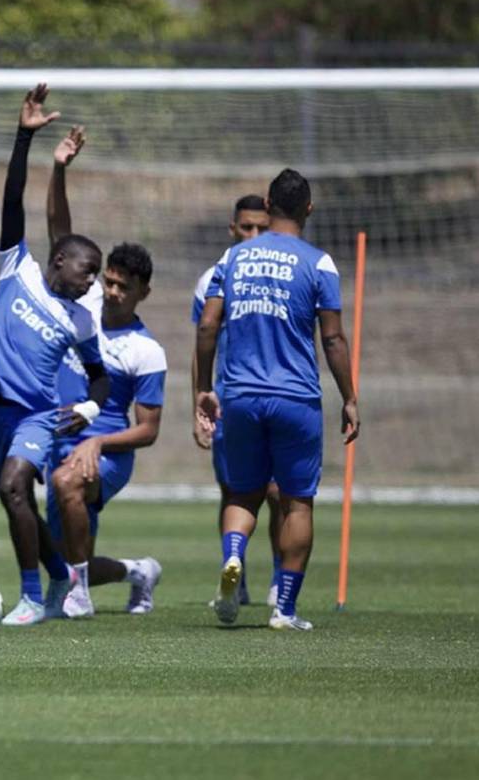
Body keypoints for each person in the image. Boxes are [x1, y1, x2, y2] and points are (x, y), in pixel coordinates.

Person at [195, 168, 359, 631]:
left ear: (267, 205)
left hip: (240, 396)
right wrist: (349, 397)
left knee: (242, 493)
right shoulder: (319, 264)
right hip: (295, 398)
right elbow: (333, 339)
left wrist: (204, 389)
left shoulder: (232, 257)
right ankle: (284, 609)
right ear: (309, 209)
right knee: (297, 502)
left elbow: (207, 325)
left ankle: (233, 556)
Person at [0, 84, 110, 627]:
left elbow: (100, 378)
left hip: (36, 416)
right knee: (16, 500)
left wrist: (89, 409)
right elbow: (12, 201)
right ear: (59, 261)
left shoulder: (81, 320)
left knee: (14, 486)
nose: (92, 282)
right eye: (87, 271)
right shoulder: (19, 270)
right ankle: (60, 577)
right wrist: (22, 138)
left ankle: (31, 597)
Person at [43, 125, 167, 619]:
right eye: (109, 281)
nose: (112, 292)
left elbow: (148, 430)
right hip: (59, 439)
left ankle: (79, 599)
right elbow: (61, 236)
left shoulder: (146, 351)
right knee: (64, 558)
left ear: (143, 293)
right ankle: (139, 571)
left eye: (124, 287)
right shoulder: (85, 304)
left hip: (107, 453)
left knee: (67, 485)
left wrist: (97, 444)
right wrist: (58, 169)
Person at [191, 195, 283, 608]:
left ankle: (279, 580)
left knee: (279, 492)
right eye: (247, 227)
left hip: (277, 396)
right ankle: (236, 578)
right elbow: (202, 342)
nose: (254, 235)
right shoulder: (213, 277)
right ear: (232, 229)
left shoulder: (283, 274)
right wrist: (198, 406)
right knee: (233, 490)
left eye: (262, 227)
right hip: (227, 402)